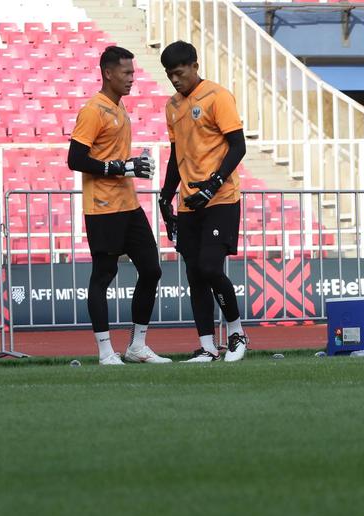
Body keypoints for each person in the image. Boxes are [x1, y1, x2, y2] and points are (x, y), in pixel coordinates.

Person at [68, 45, 170, 365]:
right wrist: (121, 167)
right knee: (104, 275)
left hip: (128, 204)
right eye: (126, 72)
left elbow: (111, 157)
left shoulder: (119, 107)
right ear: (108, 73)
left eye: (133, 72)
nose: (132, 78)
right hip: (103, 207)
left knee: (152, 269)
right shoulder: (93, 110)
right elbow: (75, 159)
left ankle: (137, 345)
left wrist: (130, 165)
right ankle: (104, 351)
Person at [157, 41, 248, 363]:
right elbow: (175, 154)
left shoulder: (217, 96)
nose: (175, 80)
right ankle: (207, 347)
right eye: (170, 76)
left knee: (210, 267)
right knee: (195, 273)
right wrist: (165, 194)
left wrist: (214, 183)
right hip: (188, 203)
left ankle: (237, 334)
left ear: (194, 66)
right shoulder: (171, 106)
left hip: (221, 199)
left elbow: (238, 146)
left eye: (179, 73)